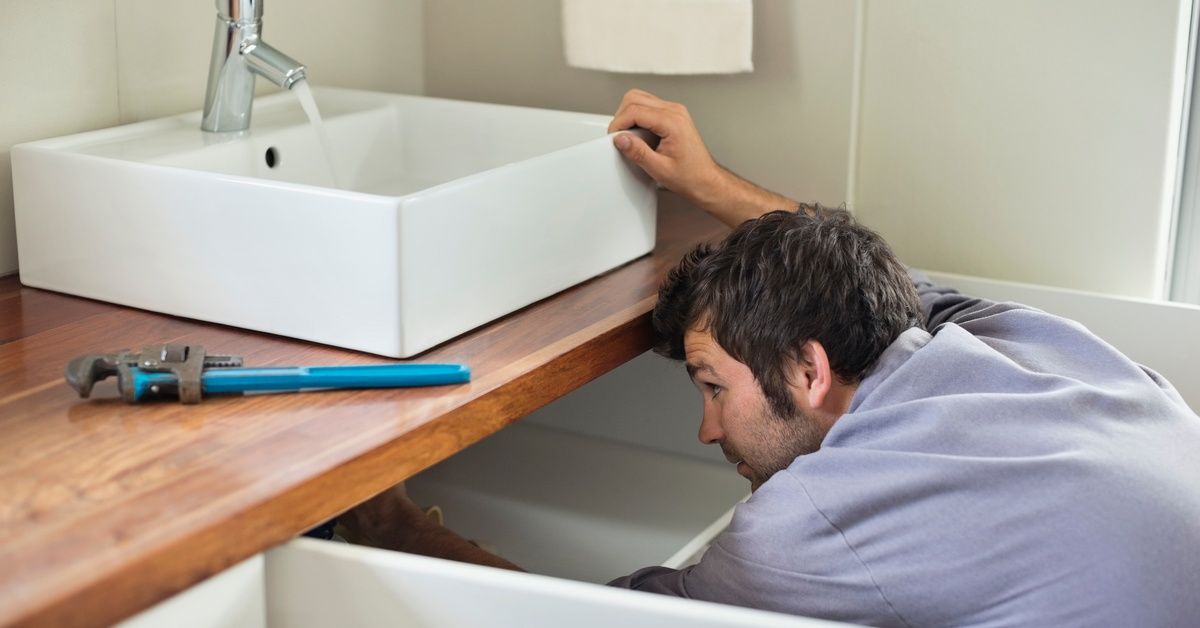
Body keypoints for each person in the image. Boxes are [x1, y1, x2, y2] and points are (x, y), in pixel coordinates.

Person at [343, 90, 1200, 626]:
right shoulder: (1029, 346)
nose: (708, 430)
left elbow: (591, 620)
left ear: (809, 370)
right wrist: (708, 182)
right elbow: (874, 268)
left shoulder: (813, 525)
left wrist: (390, 525)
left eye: (713, 386)